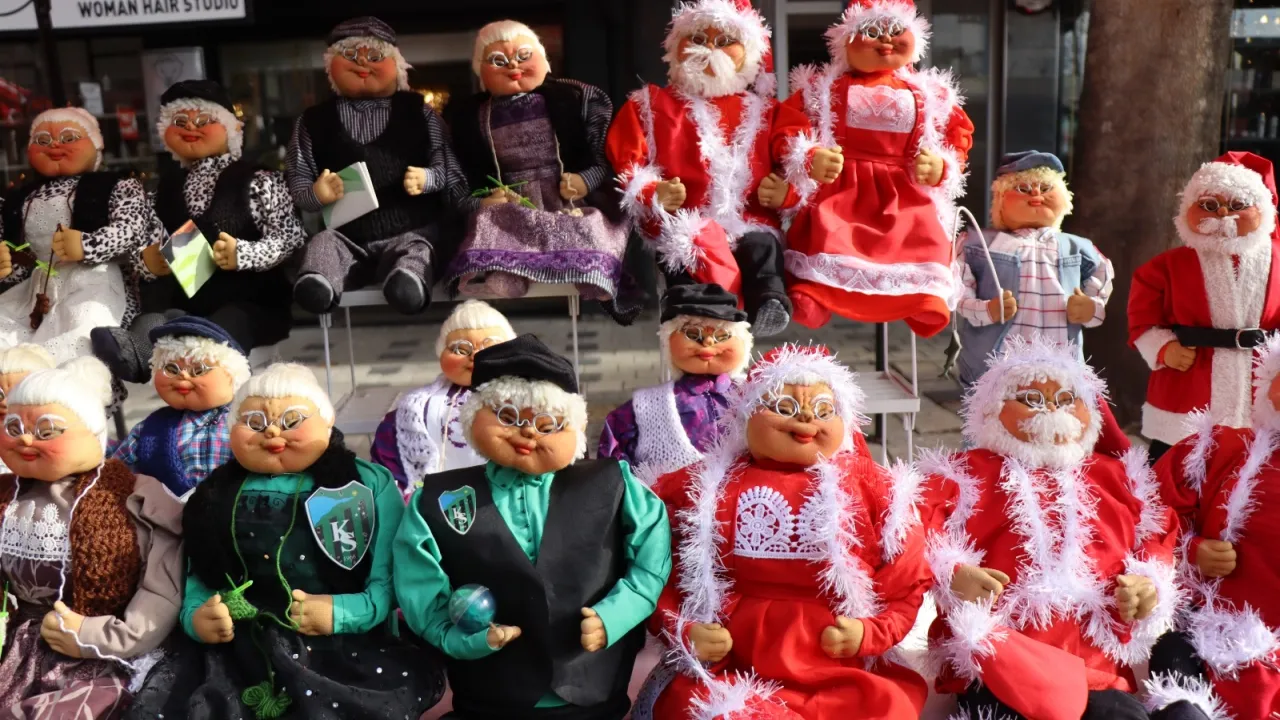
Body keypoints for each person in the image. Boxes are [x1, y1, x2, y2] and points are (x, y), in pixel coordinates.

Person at [124, 363, 445, 720]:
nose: (272, 431)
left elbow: (391, 578)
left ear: (327, 422)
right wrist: (198, 616)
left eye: (292, 420)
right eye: (254, 422)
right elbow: (200, 570)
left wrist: (344, 611)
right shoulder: (213, 494)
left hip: (344, 643)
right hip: (240, 646)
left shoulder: (368, 484)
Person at [636, 344, 929, 720]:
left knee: (884, 706)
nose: (806, 418)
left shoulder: (873, 487)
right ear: (746, 417)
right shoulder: (703, 486)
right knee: (700, 707)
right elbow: (658, 565)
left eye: (824, 410)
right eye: (784, 407)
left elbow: (906, 575)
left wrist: (873, 631)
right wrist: (684, 628)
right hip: (737, 660)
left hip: (839, 662)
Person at [919, 335, 1199, 720]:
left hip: (1093, 664)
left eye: (1067, 399)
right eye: (1032, 398)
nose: (1051, 408)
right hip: (999, 657)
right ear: (992, 409)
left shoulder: (1119, 477)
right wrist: (953, 574)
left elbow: (1156, 532)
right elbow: (918, 530)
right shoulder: (964, 473)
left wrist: (1148, 583)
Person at [394, 334, 670, 719]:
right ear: (474, 417)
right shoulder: (438, 498)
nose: (528, 432)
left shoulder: (613, 484)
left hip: (592, 692)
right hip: (488, 695)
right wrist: (463, 639)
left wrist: (616, 614)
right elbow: (419, 585)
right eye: (508, 417)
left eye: (548, 424)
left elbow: (653, 553)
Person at [606, 0, 835, 336]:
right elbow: (627, 160)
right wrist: (653, 192)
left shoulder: (767, 110)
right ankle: (689, 317)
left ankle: (768, 302)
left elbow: (792, 146)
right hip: (687, 227)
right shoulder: (652, 105)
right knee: (684, 264)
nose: (711, 48)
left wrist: (800, 175)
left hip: (751, 221)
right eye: (698, 39)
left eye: (726, 40)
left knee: (763, 249)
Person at [0, 357, 184, 718]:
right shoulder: (7, 495)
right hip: (19, 646)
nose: (25, 438)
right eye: (13, 427)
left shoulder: (134, 496)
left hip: (104, 653)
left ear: (92, 432)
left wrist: (99, 635)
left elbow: (161, 588)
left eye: (47, 430)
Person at [781, 0, 974, 337]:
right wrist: (809, 156)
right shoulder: (822, 89)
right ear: (845, 41)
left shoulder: (931, 94)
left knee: (924, 238)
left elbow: (957, 134)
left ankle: (922, 299)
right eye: (871, 31)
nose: (885, 39)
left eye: (896, 31)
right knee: (828, 234)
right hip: (842, 188)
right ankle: (815, 292)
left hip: (905, 191)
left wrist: (941, 165)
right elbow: (789, 125)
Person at [92, 80, 304, 383]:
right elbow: (145, 241)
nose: (191, 127)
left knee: (228, 323)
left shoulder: (261, 180)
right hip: (184, 304)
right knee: (154, 321)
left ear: (231, 129)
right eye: (179, 122)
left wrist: (245, 253)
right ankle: (136, 356)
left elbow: (290, 237)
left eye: (204, 120)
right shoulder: (163, 189)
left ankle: (201, 356)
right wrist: (148, 261)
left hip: (251, 302)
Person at [443, 20, 637, 319]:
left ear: (544, 59)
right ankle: (509, 272)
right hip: (512, 198)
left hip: (566, 196)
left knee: (589, 225)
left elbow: (603, 160)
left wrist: (585, 181)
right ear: (480, 70)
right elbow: (462, 176)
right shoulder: (471, 117)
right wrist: (483, 201)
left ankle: (585, 271)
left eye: (523, 56)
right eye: (498, 61)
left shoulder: (575, 100)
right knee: (491, 221)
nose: (513, 66)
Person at [288, 16, 468, 315]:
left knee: (418, 250)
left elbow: (449, 167)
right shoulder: (312, 121)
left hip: (411, 230)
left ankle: (407, 281)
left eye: (374, 56)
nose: (362, 63)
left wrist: (428, 179)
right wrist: (316, 194)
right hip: (347, 237)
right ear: (331, 67)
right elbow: (298, 178)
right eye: (349, 55)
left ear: (396, 65)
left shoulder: (419, 112)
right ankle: (318, 282)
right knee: (323, 243)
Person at [1143, 332, 1280, 719]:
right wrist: (1190, 551)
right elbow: (1147, 513)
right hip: (1207, 637)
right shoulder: (1221, 450)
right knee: (1173, 670)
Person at [1129, 151, 1280, 463]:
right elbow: (1142, 317)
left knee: (1257, 465)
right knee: (1175, 462)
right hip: (1189, 379)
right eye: (1209, 205)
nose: (1223, 213)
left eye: (1238, 205)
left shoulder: (1277, 261)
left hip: (1262, 382)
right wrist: (1163, 348)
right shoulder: (1167, 266)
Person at [0, 107, 152, 361]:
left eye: (69, 138)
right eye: (42, 140)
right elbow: (19, 254)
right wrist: (8, 264)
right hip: (38, 288)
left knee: (83, 331)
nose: (55, 145)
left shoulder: (117, 186)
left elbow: (131, 229)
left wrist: (87, 245)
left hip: (94, 279)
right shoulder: (19, 198)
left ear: (95, 144)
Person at [956, 150, 1113, 386]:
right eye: (1023, 188)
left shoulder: (1077, 247)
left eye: (1046, 188)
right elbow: (957, 287)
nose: (1036, 194)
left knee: (1058, 407)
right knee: (998, 408)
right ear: (1000, 200)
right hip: (997, 367)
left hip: (1061, 368)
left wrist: (1091, 307)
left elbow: (1102, 274)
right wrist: (985, 310)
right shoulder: (980, 244)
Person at [598, 283, 751, 482]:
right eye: (693, 334)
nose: (708, 342)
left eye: (722, 335)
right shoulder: (647, 405)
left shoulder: (756, 392)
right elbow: (613, 461)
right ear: (668, 341)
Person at [370, 300, 516, 498]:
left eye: (489, 347)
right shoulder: (417, 407)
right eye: (461, 349)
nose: (475, 356)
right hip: (437, 500)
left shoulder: (522, 399)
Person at [112, 316, 250, 498]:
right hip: (162, 511)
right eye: (171, 369)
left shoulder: (248, 419)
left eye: (199, 370)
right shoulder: (151, 428)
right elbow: (115, 471)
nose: (183, 376)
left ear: (233, 375)